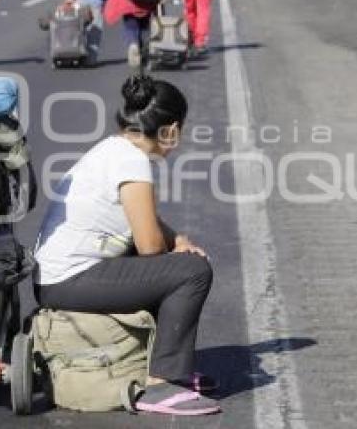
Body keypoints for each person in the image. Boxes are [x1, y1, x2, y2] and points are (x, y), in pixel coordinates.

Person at [34, 74, 220, 416]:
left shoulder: (113, 149)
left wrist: (177, 240)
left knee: (173, 262)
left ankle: (161, 364)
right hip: (69, 280)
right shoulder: (132, 162)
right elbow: (149, 246)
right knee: (191, 272)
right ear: (171, 129)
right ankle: (162, 382)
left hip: (57, 277)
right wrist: (177, 254)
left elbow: (143, 221)